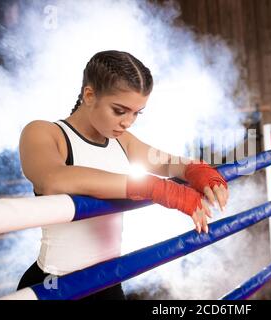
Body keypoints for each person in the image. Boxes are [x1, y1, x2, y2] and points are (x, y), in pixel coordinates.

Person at [16, 50, 229, 300]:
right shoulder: (45, 132)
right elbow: (52, 180)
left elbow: (167, 163)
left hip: (107, 282)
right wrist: (155, 188)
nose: (128, 122)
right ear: (89, 95)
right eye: (120, 110)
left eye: (137, 113)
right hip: (54, 284)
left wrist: (199, 170)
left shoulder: (121, 140)